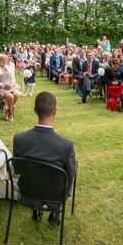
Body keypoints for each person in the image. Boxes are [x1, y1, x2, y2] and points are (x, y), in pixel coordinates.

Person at [13, 92, 77, 225]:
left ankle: (37, 207)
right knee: (73, 166)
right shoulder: (66, 146)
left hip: (27, 190)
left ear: (34, 110)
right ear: (55, 111)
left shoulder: (19, 139)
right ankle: (55, 210)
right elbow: (70, 176)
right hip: (56, 195)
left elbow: (17, 169)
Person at [0, 54, 21, 122]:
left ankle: (7, 110)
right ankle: (11, 114)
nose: (5, 61)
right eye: (3, 60)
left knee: (16, 94)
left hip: (10, 86)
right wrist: (4, 85)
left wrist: (11, 84)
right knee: (10, 97)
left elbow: (13, 79)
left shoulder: (9, 67)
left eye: (5, 59)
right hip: (1, 88)